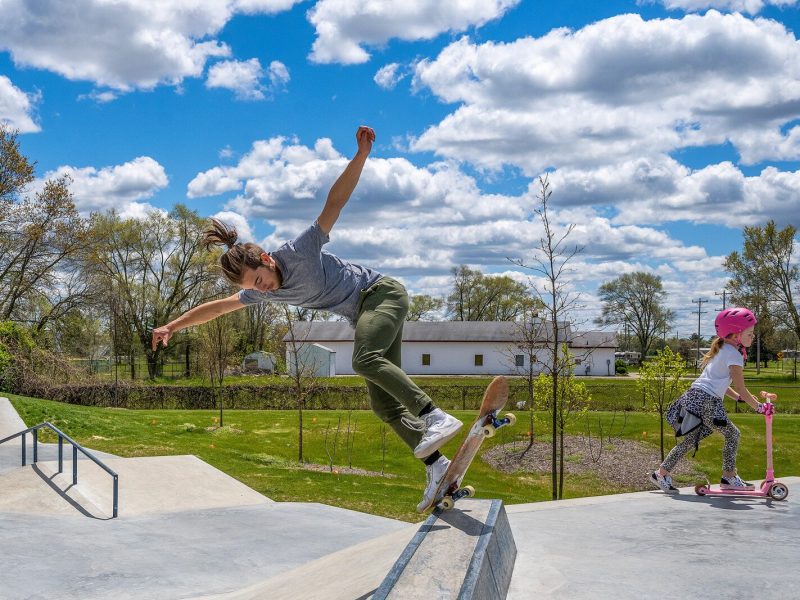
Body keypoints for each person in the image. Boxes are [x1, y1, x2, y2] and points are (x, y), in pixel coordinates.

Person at [151, 126, 463, 511]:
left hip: (382, 295)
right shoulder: (258, 291)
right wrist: (172, 325)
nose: (263, 289)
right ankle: (437, 466)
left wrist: (361, 156)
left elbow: (334, 204)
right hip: (365, 314)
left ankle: (434, 415)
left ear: (266, 258)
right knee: (384, 407)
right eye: (256, 287)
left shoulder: (299, 250)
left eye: (261, 280)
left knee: (365, 360)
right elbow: (217, 307)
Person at [650, 307, 770, 493]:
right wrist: (760, 407)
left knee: (691, 439)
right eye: (750, 333)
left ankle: (661, 473)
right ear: (735, 333)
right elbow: (741, 388)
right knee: (733, 434)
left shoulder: (723, 349)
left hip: (695, 396)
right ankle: (728, 477)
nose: (753, 337)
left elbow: (721, 383)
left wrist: (738, 398)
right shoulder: (734, 354)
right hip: (706, 400)